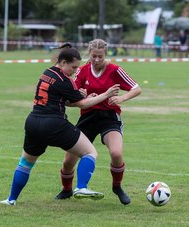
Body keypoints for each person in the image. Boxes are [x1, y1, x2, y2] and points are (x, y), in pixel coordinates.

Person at [0, 44, 120, 205]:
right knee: (90, 153)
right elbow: (82, 104)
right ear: (63, 62)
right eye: (73, 67)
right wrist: (106, 94)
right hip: (54, 124)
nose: (76, 71)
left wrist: (79, 95)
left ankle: (11, 199)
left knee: (26, 163)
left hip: (33, 122)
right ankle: (81, 187)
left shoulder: (47, 73)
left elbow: (67, 97)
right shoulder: (65, 80)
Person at [55, 39, 142, 205]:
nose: (96, 60)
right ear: (89, 54)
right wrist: (82, 96)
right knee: (68, 161)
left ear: (106, 55)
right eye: (93, 56)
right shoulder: (81, 71)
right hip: (87, 118)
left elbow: (137, 88)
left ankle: (117, 187)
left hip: (109, 118)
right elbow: (69, 98)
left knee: (116, 153)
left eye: (100, 57)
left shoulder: (115, 70)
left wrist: (121, 98)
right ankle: (66, 190)